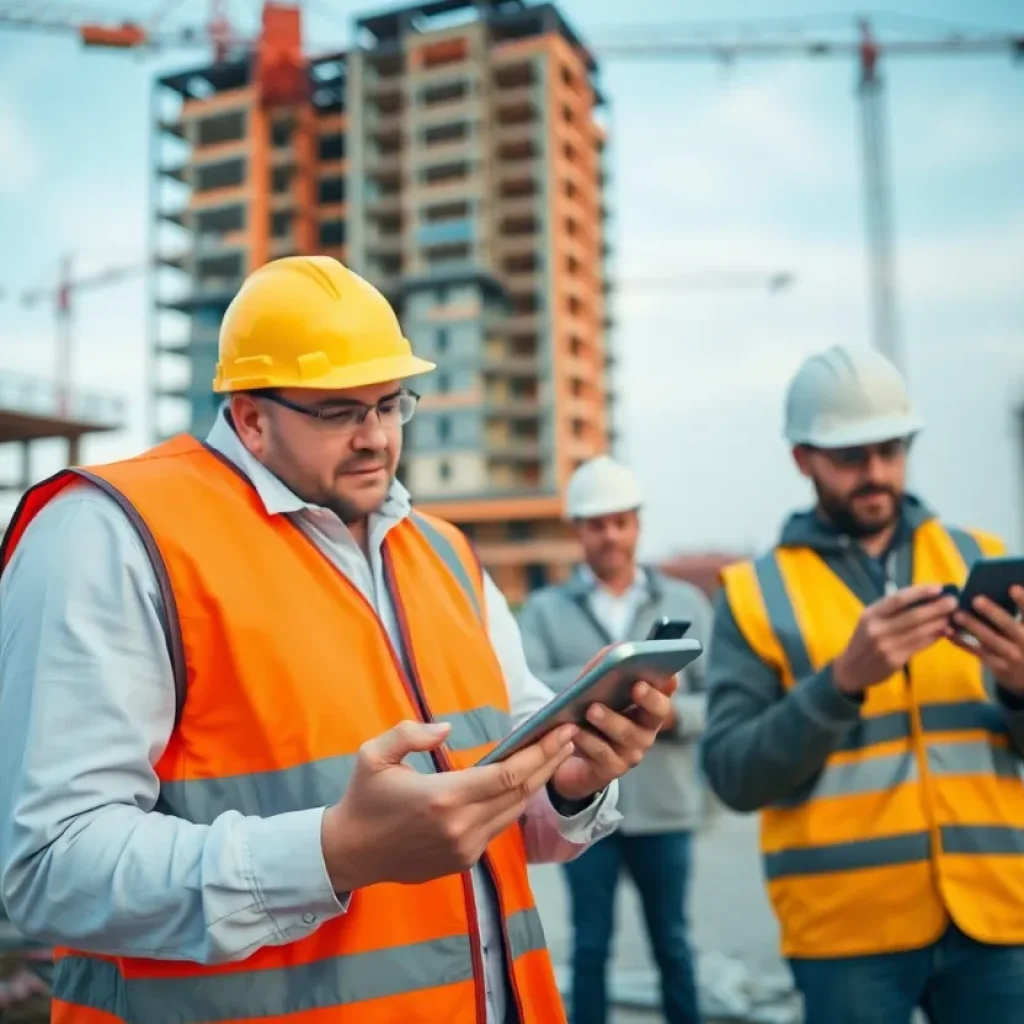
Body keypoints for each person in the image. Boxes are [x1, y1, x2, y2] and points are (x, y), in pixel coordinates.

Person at [0, 256, 678, 1024]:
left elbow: (518, 827)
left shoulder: (446, 554)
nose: (376, 439)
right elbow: (49, 869)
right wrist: (332, 854)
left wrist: (571, 780)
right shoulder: (113, 534)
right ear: (250, 416)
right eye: (338, 411)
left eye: (391, 404)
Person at [701, 343, 1024, 1024]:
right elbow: (733, 776)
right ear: (803, 459)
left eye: (890, 449)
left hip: (998, 917)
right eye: (850, 457)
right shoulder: (755, 594)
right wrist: (841, 683)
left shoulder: (985, 561)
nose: (875, 473)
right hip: (846, 931)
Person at [518, 455, 713, 1024]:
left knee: (673, 944)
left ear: (637, 524)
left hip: (666, 810)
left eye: (620, 521)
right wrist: (602, 692)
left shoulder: (685, 605)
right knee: (590, 947)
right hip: (582, 816)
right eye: (597, 523)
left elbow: (716, 700)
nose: (610, 534)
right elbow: (528, 694)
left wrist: (663, 714)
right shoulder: (545, 611)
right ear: (579, 529)